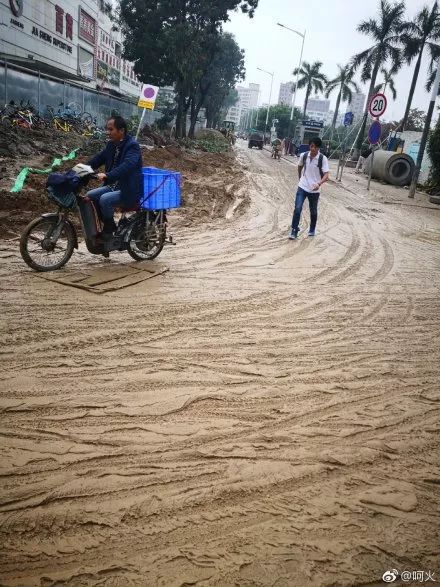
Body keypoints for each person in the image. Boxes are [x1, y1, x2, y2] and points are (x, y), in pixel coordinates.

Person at [86, 116, 143, 238]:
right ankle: (108, 224)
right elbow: (98, 159)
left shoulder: (132, 146)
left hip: (129, 190)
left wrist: (107, 175)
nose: (108, 132)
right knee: (90, 196)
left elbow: (127, 166)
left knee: (105, 200)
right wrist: (81, 169)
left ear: (121, 130)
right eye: (107, 129)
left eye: (111, 129)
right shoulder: (112, 145)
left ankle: (109, 229)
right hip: (114, 185)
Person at [289, 137, 329, 239]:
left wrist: (319, 184)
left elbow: (326, 175)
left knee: (313, 211)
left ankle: (312, 228)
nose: (313, 149)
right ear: (309, 146)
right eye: (311, 146)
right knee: (297, 208)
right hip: (302, 186)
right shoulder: (304, 155)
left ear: (318, 148)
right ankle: (294, 230)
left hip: (315, 190)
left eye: (315, 147)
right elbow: (299, 167)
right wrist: (300, 179)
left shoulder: (322, 159)